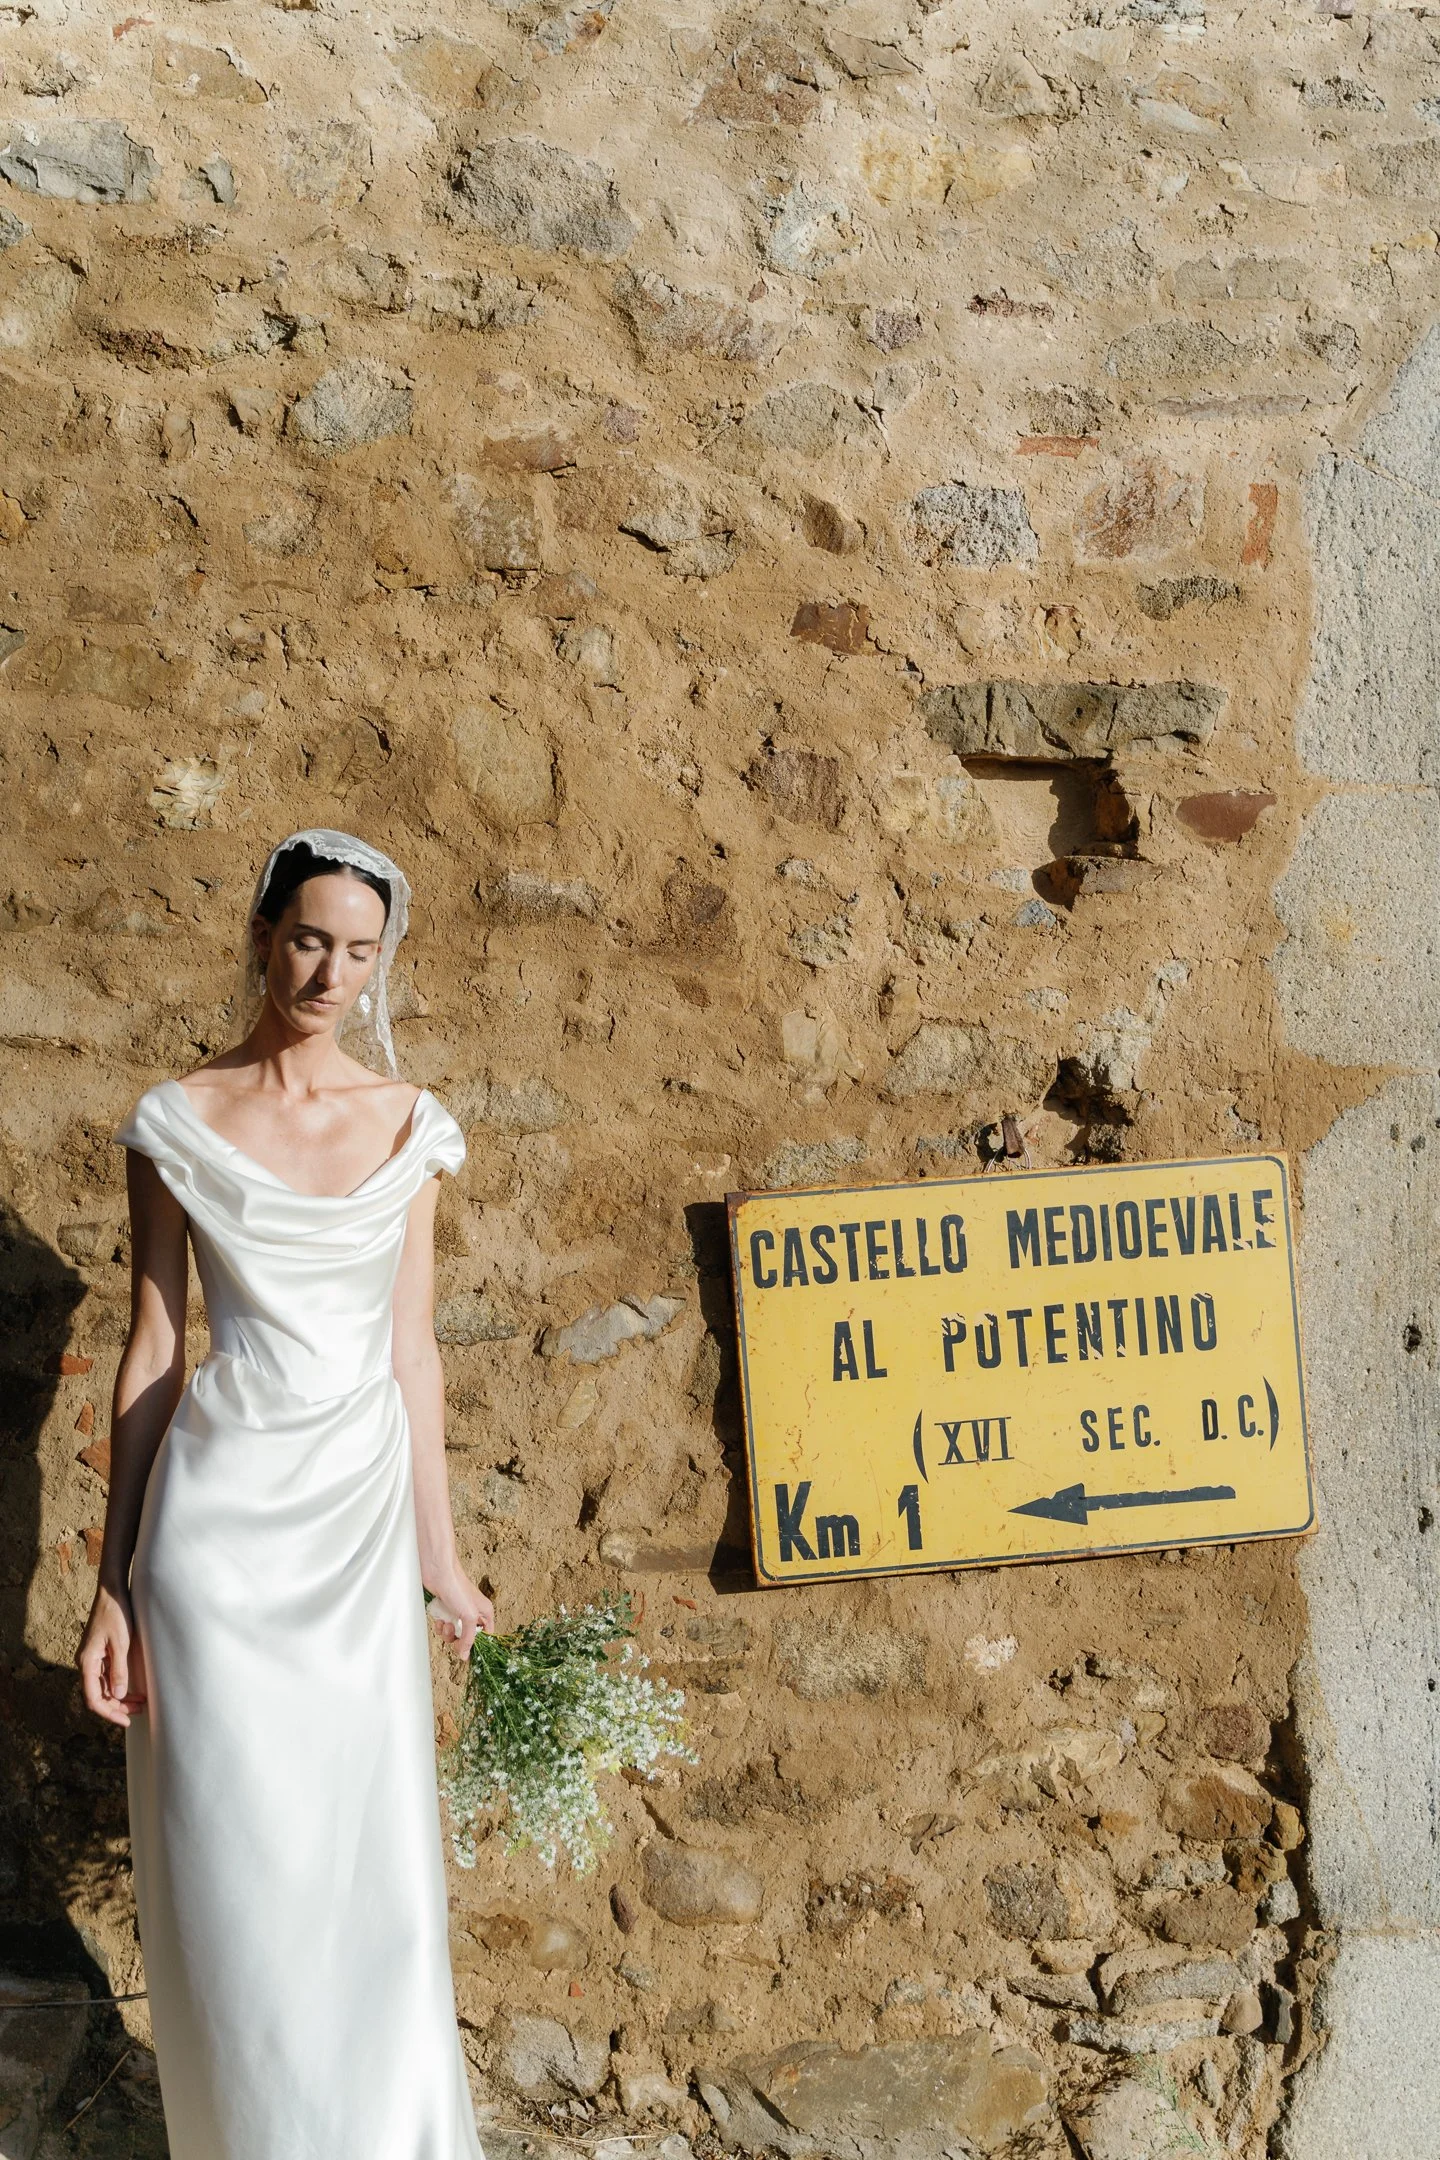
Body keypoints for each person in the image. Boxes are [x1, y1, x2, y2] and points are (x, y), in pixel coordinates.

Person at [75, 827, 491, 2160]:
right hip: (215, 1535)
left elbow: (409, 1350)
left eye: (360, 952)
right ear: (265, 936)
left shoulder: (408, 1125)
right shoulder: (175, 1121)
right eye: (311, 939)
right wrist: (116, 1579)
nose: (331, 973)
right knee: (234, 1878)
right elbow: (155, 1350)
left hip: (358, 1528)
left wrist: (443, 1556)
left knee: (372, 1880)